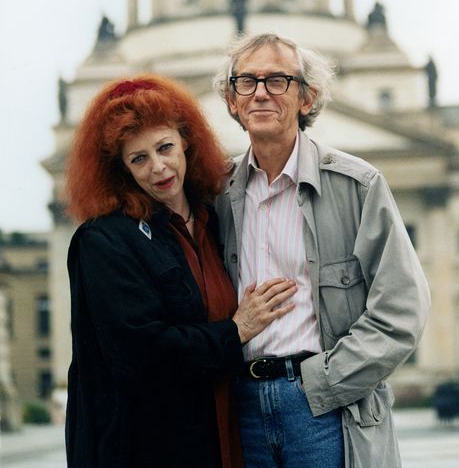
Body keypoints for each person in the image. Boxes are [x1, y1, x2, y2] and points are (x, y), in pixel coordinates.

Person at [213, 33, 431, 468]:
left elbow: (403, 308)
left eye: (277, 80)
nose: (259, 92)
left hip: (326, 410)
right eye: (246, 82)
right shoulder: (214, 194)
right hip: (241, 411)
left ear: (307, 98)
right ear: (231, 101)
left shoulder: (359, 185)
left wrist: (321, 383)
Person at [64, 74, 297, 468]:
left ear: (186, 141)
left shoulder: (214, 218)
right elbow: (139, 354)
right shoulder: (104, 241)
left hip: (223, 430)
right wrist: (236, 330)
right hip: (148, 445)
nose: (159, 167)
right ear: (122, 170)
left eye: (165, 147)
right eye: (139, 158)